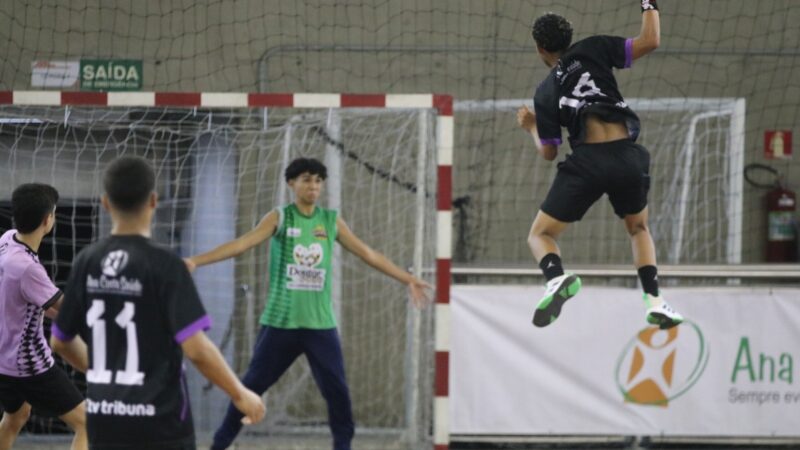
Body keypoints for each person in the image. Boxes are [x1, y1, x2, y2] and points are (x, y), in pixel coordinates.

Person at [185, 157, 432, 450]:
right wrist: (195, 261)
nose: (313, 186)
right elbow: (242, 244)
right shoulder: (279, 217)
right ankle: (219, 445)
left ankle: (343, 446)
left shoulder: (329, 221)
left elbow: (368, 253)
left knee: (338, 393)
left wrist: (407, 279)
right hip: (281, 323)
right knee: (249, 389)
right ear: (292, 183)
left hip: (320, 326)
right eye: (306, 180)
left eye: (317, 180)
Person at [50, 156, 265, 450]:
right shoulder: (166, 265)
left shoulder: (87, 261)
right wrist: (240, 394)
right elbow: (197, 349)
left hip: (105, 417)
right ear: (153, 201)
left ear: (105, 203)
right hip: (160, 423)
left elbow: (60, 342)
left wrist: (106, 371)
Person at [516, 0, 684, 329]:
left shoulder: (545, 91)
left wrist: (532, 126)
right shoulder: (593, 48)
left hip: (588, 162)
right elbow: (650, 41)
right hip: (627, 157)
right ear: (570, 38)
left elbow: (548, 153)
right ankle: (655, 300)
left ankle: (555, 279)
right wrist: (649, 2)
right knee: (638, 228)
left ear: (540, 49)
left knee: (541, 234)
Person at [0, 183, 87, 450]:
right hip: (29, 366)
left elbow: (30, 301)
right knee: (87, 424)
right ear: (48, 220)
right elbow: (65, 307)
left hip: (3, 362)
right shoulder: (27, 268)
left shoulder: (6, 240)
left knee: (15, 418)